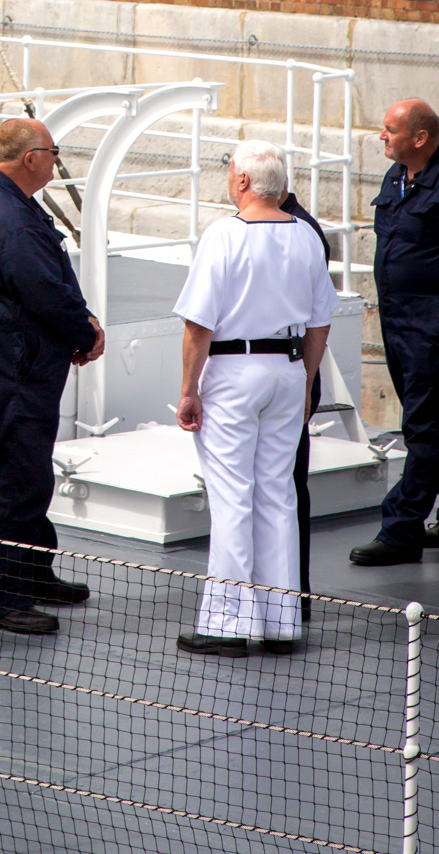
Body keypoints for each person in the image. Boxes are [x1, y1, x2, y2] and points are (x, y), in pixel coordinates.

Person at [174, 141, 338, 655]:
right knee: (277, 494)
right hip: (288, 371)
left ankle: (227, 622)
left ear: (244, 182)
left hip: (233, 370)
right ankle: (280, 621)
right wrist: (306, 381)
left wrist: (187, 391)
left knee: (231, 496)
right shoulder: (307, 237)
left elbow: (198, 325)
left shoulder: (223, 235)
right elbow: (319, 322)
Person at [0, 118, 104, 635]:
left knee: (28, 465)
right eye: (52, 150)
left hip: (10, 354)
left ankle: (33, 572)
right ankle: (5, 597)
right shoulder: (12, 217)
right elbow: (42, 290)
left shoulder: (4, 202)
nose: (57, 157)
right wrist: (84, 334)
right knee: (21, 475)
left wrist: (75, 329)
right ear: (30, 159)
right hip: (10, 360)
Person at [349, 98, 439, 567]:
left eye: (390, 129)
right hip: (397, 323)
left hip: (430, 328)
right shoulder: (397, 177)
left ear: (419, 138)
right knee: (426, 421)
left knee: (423, 427)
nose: (381, 136)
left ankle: (402, 529)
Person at [281, 177, 330, 611]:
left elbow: (317, 318)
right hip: (293, 376)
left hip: (290, 374)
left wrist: (306, 387)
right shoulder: (300, 229)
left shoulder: (301, 230)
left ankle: (291, 596)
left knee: (286, 486)